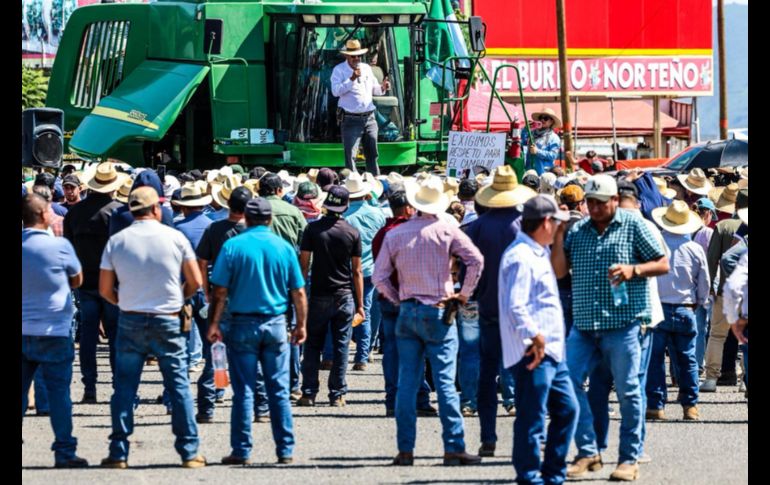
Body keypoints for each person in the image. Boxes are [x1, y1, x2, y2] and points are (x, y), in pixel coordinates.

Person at [551, 175, 669, 481]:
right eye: (590, 202)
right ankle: (588, 451)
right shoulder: (578, 230)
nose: (595, 208)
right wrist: (559, 236)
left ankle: (629, 458)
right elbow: (561, 271)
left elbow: (662, 263)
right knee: (567, 383)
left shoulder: (634, 225)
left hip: (625, 323)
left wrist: (635, 269)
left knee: (629, 391)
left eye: (600, 203)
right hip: (585, 324)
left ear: (615, 200)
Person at [373, 174, 484, 467]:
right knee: (445, 383)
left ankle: (406, 450)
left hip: (408, 309)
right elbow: (476, 260)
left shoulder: (396, 234)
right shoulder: (447, 230)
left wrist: (398, 299)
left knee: (407, 382)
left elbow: (379, 277)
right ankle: (453, 447)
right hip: (439, 307)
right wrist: (464, 294)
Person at [98, 187, 205, 469]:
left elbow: (105, 289)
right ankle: (189, 451)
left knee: (124, 387)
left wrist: (124, 301)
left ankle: (119, 452)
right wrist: (179, 296)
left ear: (132, 211)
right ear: (156, 209)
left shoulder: (117, 241)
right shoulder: (175, 238)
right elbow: (195, 281)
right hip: (168, 317)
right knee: (178, 385)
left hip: (131, 317)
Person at [207, 197, 307, 465]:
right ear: (270, 219)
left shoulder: (232, 246)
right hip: (275, 323)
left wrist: (214, 323)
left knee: (244, 390)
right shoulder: (284, 247)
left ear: (246, 219)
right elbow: (298, 291)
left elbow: (220, 290)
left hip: (242, 324)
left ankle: (241, 450)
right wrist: (301, 325)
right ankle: (285, 449)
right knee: (278, 389)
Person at [500, 194, 577, 485]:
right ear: (546, 222)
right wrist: (534, 335)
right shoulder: (521, 256)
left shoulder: (536, 250)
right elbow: (514, 304)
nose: (559, 227)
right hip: (534, 349)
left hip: (550, 350)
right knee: (533, 417)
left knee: (566, 409)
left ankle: (552, 472)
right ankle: (530, 475)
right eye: (555, 223)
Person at [463, 165, 536, 457]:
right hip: (522, 310)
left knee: (486, 373)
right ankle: (527, 435)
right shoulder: (527, 224)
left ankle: (488, 437)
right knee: (525, 375)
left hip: (489, 307)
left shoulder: (477, 226)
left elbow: (468, 265)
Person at [22, 194, 88, 469]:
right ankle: (64, 451)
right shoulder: (60, 246)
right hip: (55, 330)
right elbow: (77, 279)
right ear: (43, 214)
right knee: (60, 394)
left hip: (24, 329)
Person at [63, 161, 129, 403]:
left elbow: (69, 250)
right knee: (114, 334)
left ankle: (89, 385)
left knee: (88, 334)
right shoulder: (119, 213)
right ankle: (117, 384)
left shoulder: (74, 212)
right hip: (113, 282)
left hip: (85, 282)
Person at [371, 190, 437, 417]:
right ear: (408, 208)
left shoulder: (382, 234)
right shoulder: (413, 232)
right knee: (417, 350)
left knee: (391, 351)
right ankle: (419, 398)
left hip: (389, 298)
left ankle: (392, 400)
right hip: (412, 297)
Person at [298, 185, 364, 407]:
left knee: (312, 345)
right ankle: (337, 394)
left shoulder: (313, 230)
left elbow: (304, 266)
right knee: (341, 346)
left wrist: (299, 296)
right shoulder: (352, 232)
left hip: (318, 294)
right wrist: (361, 304)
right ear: (345, 207)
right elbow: (357, 271)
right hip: (344, 295)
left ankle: (308, 392)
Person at [646, 201, 710, 421]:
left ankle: (655, 405)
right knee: (687, 359)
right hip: (685, 307)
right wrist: (698, 302)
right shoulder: (694, 249)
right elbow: (704, 282)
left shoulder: (654, 244)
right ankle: (690, 406)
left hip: (659, 307)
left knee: (654, 360)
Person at [194, 186, 254, 421]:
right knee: (250, 354)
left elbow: (202, 261)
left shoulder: (214, 228)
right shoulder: (253, 232)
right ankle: (258, 406)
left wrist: (206, 291)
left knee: (216, 352)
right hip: (247, 299)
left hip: (219, 298)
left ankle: (210, 402)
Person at [701, 188, 748, 391]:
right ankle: (745, 382)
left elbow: (712, 260)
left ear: (735, 205)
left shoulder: (722, 226)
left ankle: (711, 378)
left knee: (717, 335)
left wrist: (709, 285)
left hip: (724, 291)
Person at [343, 172, 387, 370]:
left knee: (344, 310)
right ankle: (363, 354)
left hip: (346, 269)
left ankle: (336, 353)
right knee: (367, 309)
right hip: (372, 268)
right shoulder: (378, 214)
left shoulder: (343, 216)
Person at [331, 39, 391, 175]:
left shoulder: (366, 68)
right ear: (346, 56)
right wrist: (351, 79)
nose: (356, 58)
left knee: (373, 153)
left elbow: (375, 90)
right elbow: (335, 91)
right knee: (351, 155)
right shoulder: (339, 70)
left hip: (369, 117)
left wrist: (383, 87)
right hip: (350, 119)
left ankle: (375, 180)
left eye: (359, 55)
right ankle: (352, 184)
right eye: (353, 56)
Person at [521, 108, 561, 175]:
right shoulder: (532, 133)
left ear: (551, 122)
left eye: (545, 118)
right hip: (529, 171)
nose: (542, 120)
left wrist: (537, 152)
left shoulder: (554, 138)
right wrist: (525, 129)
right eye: (540, 118)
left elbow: (553, 155)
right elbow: (523, 142)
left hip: (544, 173)